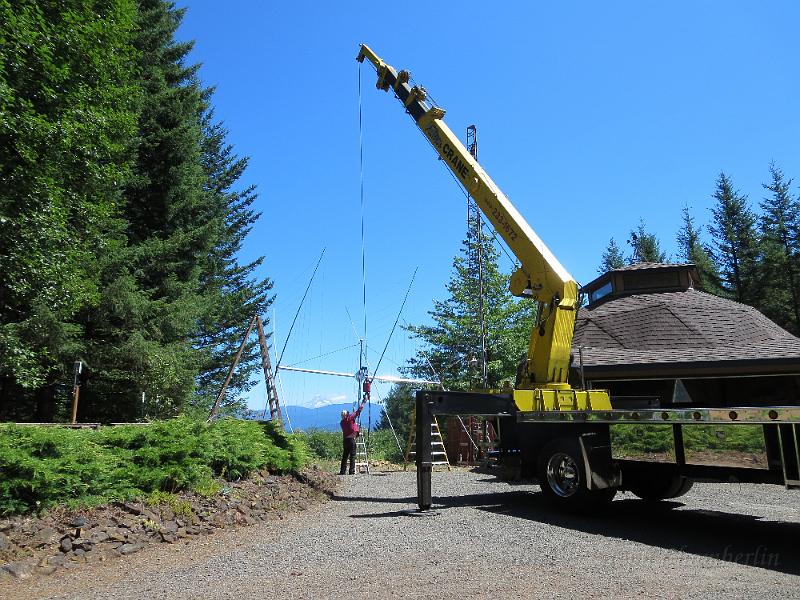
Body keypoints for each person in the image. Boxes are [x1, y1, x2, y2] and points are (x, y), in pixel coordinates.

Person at [340, 394, 368, 475]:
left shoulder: (342, 422)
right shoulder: (350, 418)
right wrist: (364, 402)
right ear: (346, 415)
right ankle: (351, 471)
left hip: (345, 440)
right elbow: (359, 410)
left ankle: (342, 471)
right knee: (352, 455)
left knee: (345, 456)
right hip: (351, 440)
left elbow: (351, 417)